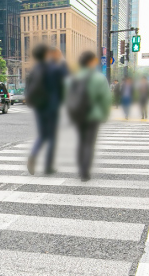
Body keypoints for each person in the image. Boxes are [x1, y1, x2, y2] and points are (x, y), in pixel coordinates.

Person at [67, 51, 111, 181]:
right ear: (91, 62)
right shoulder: (99, 78)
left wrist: (71, 113)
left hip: (78, 114)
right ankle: (85, 171)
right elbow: (105, 99)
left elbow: (68, 97)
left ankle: (81, 169)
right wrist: (104, 114)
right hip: (93, 115)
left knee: (81, 142)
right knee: (89, 144)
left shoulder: (74, 77)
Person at [25, 44, 66, 175]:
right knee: (52, 137)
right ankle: (48, 166)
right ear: (46, 54)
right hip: (52, 106)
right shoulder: (54, 68)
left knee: (43, 135)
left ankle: (33, 154)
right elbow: (63, 85)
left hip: (39, 106)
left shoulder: (34, 69)